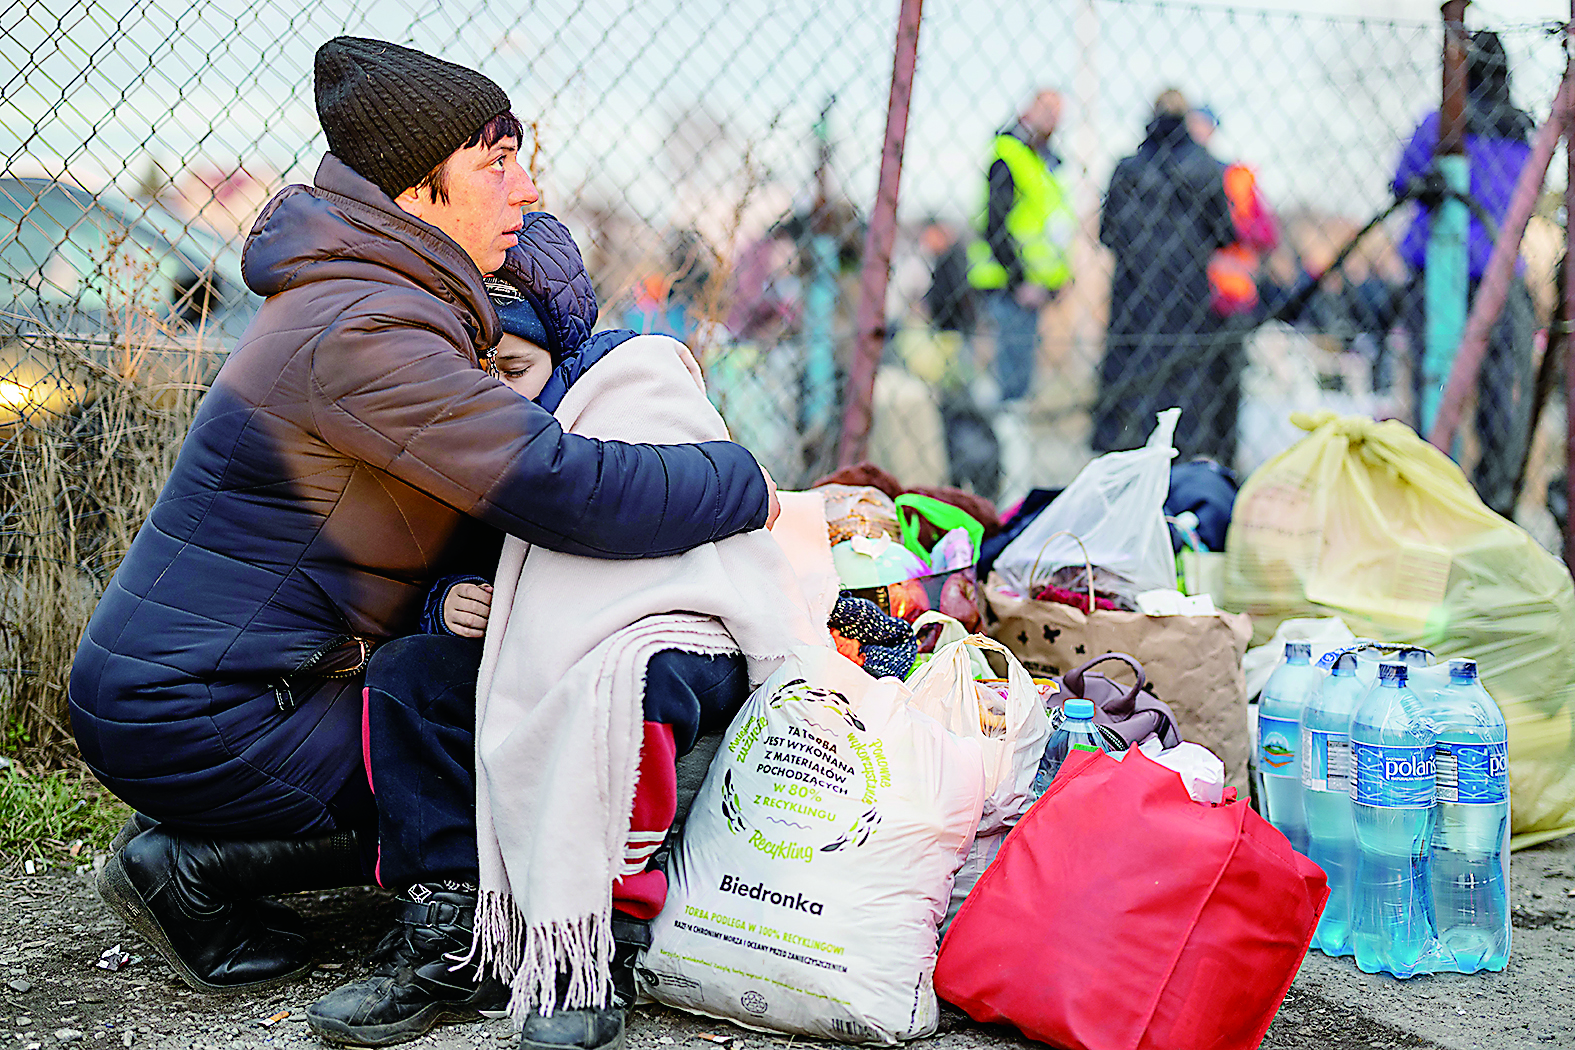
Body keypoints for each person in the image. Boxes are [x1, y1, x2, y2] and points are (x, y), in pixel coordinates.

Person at [70, 33, 776, 1037]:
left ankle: (199, 850)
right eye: (496, 162)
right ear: (416, 189)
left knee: (454, 698)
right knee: (505, 753)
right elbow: (565, 488)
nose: (526, 187)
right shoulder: (370, 333)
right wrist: (746, 481)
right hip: (209, 714)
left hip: (205, 690)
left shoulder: (369, 297)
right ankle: (192, 865)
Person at [304, 213, 754, 1048]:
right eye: (475, 374)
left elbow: (695, 520)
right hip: (539, 646)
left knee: (627, 682)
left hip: (675, 638)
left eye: (512, 370)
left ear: (560, 352)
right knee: (408, 673)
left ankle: (597, 945)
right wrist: (452, 600)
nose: (495, 394)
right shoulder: (474, 435)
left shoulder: (631, 388)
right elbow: (468, 559)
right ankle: (453, 931)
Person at [1392, 28, 1535, 515]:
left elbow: (1401, 182)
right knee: (1498, 394)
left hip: (1439, 273)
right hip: (1499, 275)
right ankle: (1494, 501)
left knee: (1433, 385)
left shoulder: (1441, 124)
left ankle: (1432, 492)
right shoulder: (1522, 133)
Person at [1096, 88, 1235, 457]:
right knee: (1185, 382)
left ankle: (1127, 455)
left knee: (1131, 378)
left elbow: (1107, 233)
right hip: (1187, 296)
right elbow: (1225, 232)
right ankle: (1180, 461)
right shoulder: (1206, 167)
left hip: (1133, 296)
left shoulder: (1128, 168)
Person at [966, 89, 1076, 405]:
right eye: (1047, 110)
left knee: (1018, 377)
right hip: (1009, 285)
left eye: (1057, 114)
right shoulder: (1009, 155)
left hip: (1032, 287)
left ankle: (1004, 421)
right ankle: (999, 426)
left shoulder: (1044, 161)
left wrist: (1058, 279)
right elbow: (995, 225)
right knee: (1009, 380)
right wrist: (1019, 282)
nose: (1053, 120)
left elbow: (1050, 227)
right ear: (1028, 110)